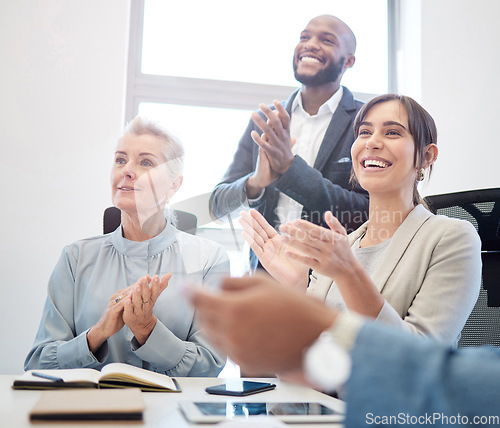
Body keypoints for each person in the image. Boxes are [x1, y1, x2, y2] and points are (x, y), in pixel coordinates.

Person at [239, 94, 481, 345]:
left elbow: (422, 358)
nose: (372, 142)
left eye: (392, 133)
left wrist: (348, 275)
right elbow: (313, 357)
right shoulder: (344, 247)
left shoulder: (452, 238)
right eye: (364, 132)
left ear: (427, 156)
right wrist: (299, 288)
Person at [25, 117, 229, 376]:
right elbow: (37, 363)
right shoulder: (75, 258)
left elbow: (209, 365)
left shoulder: (209, 260)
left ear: (174, 184)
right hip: (89, 410)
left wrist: (147, 330)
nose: (126, 170)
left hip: (173, 413)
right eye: (121, 160)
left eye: (145, 162)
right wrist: (97, 334)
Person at [189, 275, 500, 425]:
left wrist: (334, 327)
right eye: (360, 139)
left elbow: (429, 358)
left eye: (393, 139)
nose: (372, 142)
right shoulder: (342, 239)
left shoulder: (451, 234)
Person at [209, 14, 369, 270]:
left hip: (331, 282)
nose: (310, 44)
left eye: (327, 40)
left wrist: (289, 168)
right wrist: (255, 182)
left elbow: (367, 211)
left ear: (348, 61)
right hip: (264, 279)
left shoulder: (364, 124)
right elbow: (218, 205)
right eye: (304, 37)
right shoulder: (265, 121)